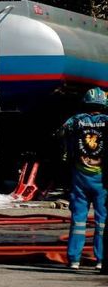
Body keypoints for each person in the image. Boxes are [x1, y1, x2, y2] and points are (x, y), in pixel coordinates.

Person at [60, 87, 107, 270]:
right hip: (102, 178)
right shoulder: (107, 121)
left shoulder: (75, 121)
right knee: (103, 220)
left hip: (80, 176)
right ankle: (101, 259)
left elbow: (61, 134)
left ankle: (74, 259)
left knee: (78, 219)